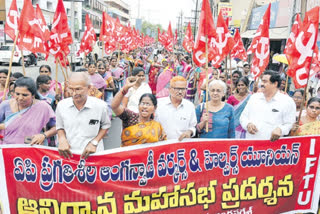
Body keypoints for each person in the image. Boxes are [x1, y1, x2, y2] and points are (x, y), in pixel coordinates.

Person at [56, 72, 111, 159]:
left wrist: (94, 142)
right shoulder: (61, 106)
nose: (74, 93)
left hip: (94, 154)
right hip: (69, 155)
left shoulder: (100, 106)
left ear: (89, 88)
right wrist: (62, 139)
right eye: (71, 89)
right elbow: (59, 127)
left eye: (78, 89)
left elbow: (106, 125)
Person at [240, 70, 296, 141]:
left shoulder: (287, 101)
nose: (261, 84)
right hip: (252, 145)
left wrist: (280, 129)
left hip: (273, 147)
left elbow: (289, 123)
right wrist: (248, 124)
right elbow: (243, 117)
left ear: (275, 83)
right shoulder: (254, 98)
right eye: (262, 81)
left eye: (265, 81)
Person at [0, 77, 56, 145]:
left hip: (32, 149)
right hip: (8, 149)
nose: (20, 98)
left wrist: (44, 135)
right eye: (17, 94)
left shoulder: (43, 107)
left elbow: (57, 127)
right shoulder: (5, 105)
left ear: (33, 95)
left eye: (25, 95)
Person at [112, 77, 166, 147]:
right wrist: (125, 89)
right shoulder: (130, 117)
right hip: (128, 156)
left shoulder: (157, 126)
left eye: (148, 104)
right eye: (143, 103)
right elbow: (114, 106)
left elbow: (162, 146)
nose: (145, 106)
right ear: (138, 106)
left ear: (154, 108)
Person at [156, 76, 197, 141]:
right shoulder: (159, 104)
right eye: (177, 89)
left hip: (181, 146)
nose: (180, 92)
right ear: (170, 89)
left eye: (183, 89)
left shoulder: (190, 106)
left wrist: (189, 132)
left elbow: (193, 126)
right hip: (162, 145)